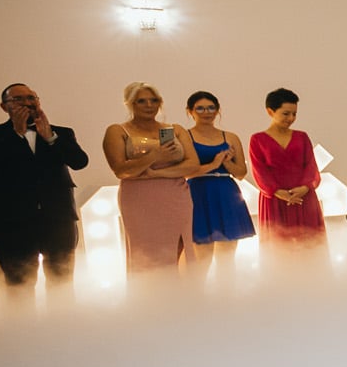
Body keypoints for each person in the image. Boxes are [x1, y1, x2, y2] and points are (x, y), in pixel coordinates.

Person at [0, 84, 89, 296]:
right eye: (18, 99)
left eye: (31, 98)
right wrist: (16, 134)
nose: (27, 103)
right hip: (14, 222)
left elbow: (79, 161)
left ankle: (65, 318)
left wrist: (51, 137)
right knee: (18, 286)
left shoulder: (61, 132)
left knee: (62, 282)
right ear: (4, 106)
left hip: (58, 218)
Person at [101, 81, 194, 272]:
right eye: (142, 101)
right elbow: (121, 170)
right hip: (138, 198)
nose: (149, 105)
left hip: (176, 195)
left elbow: (193, 165)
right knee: (144, 249)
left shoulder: (176, 129)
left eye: (154, 100)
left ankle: (181, 288)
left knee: (179, 246)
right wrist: (155, 155)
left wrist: (156, 172)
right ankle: (148, 289)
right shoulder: (117, 131)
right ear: (130, 104)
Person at [183, 90, 254, 272]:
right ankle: (197, 290)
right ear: (190, 111)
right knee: (201, 256)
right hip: (198, 193)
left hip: (226, 192)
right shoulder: (185, 137)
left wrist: (227, 162)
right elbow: (185, 172)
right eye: (200, 108)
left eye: (211, 108)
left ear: (217, 110)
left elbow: (241, 173)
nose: (206, 112)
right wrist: (213, 164)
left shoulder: (230, 137)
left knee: (227, 255)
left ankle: (227, 289)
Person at [248, 88, 327, 245]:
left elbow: (311, 165)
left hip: (304, 197)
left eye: (294, 114)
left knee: (310, 244)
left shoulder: (302, 136)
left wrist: (305, 188)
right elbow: (259, 171)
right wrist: (278, 192)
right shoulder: (257, 139)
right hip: (274, 199)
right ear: (270, 111)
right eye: (286, 113)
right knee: (278, 246)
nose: (291, 118)